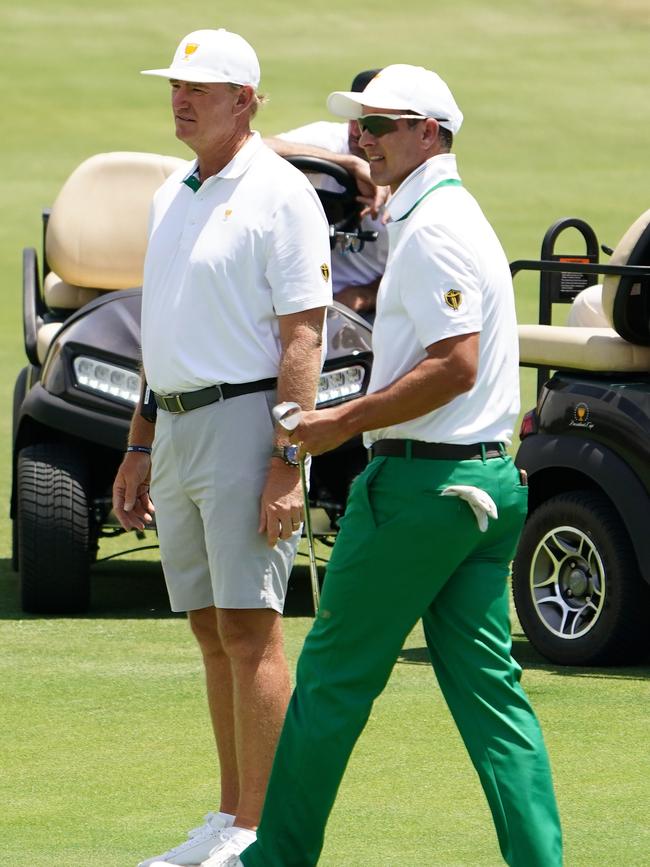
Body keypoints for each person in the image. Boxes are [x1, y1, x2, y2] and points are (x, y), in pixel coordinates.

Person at [233, 64, 564, 867]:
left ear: (428, 132)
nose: (365, 138)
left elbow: (455, 364)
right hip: (479, 488)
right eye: (362, 125)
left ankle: (274, 860)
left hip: (422, 489)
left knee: (332, 683)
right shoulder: (439, 209)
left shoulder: (437, 225)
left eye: (382, 125)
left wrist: (335, 423)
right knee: (492, 701)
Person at [111, 28, 332, 867]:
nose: (180, 98)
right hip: (174, 424)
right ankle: (231, 811)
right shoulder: (172, 192)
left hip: (247, 425)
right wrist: (138, 443)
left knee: (251, 628)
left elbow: (301, 338)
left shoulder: (282, 194)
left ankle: (258, 831)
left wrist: (288, 459)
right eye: (175, 85)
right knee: (208, 625)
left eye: (199, 88)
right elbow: (160, 329)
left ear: (245, 101)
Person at [265, 70, 389, 318]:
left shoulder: (410, 180)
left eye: (370, 123)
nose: (357, 132)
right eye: (354, 118)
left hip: (366, 307)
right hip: (293, 292)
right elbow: (257, 148)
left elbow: (414, 274)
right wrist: (348, 164)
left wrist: (366, 294)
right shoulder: (329, 139)